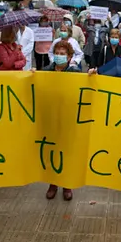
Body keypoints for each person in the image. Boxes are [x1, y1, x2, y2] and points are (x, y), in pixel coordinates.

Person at [39, 40, 80, 201]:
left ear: (69, 57)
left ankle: (67, 184)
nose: (59, 56)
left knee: (67, 152)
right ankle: (53, 183)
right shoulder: (45, 71)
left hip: (68, 119)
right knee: (52, 152)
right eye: (57, 53)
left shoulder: (75, 73)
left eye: (63, 54)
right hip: (50, 119)